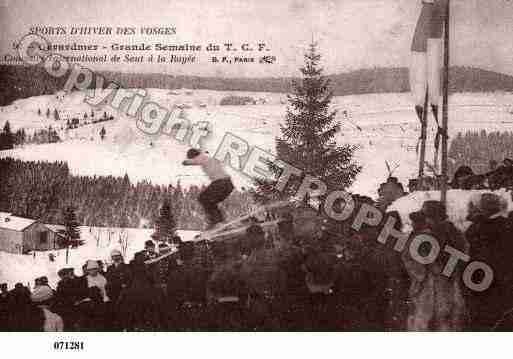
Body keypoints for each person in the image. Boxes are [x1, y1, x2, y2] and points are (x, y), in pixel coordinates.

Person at [402, 200, 467, 331]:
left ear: (434, 218)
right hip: (429, 287)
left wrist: (443, 271)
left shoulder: (453, 234)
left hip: (443, 288)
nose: (426, 221)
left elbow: (461, 255)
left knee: (443, 322)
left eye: (428, 217)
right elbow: (409, 259)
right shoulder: (423, 235)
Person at [465, 193, 513, 330]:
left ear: (482, 209)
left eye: (473, 207)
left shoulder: (477, 229)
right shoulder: (507, 225)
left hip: (483, 284)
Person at [182, 148, 234, 228]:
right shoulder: (208, 157)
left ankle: (217, 221)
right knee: (210, 202)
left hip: (221, 183)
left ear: (194, 156)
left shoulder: (201, 157)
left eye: (192, 158)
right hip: (228, 184)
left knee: (202, 198)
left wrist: (186, 162)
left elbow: (196, 160)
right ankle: (219, 221)